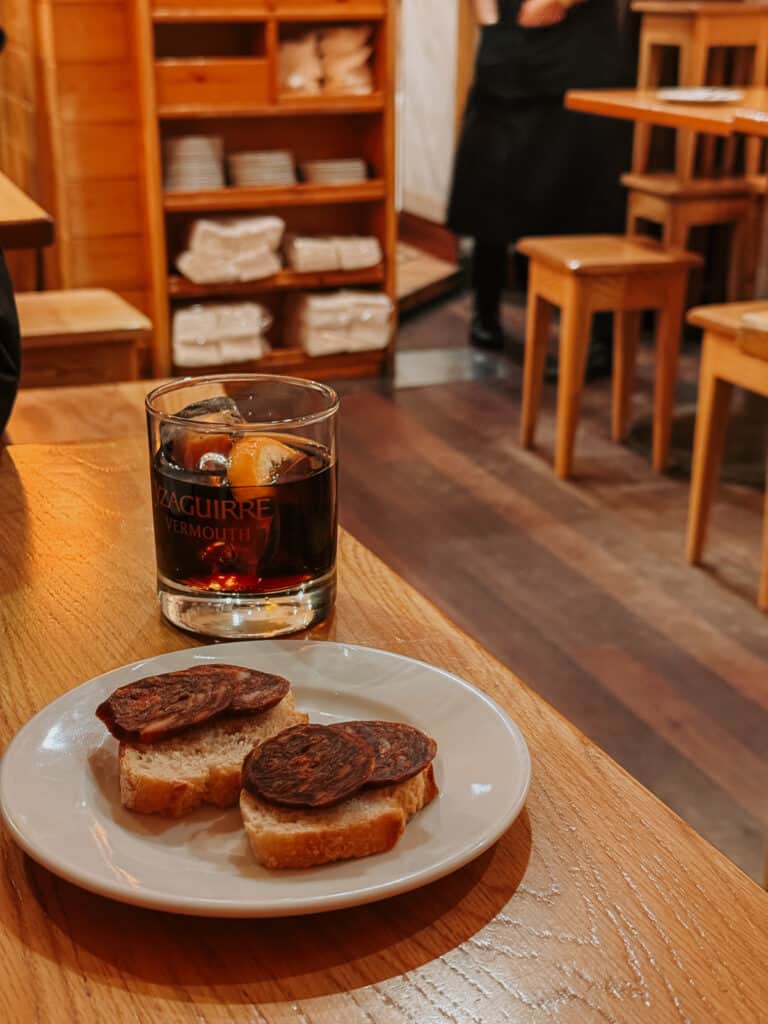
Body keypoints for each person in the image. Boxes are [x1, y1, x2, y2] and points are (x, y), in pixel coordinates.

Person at [448, 0, 632, 372]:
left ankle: (595, 339)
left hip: (576, 41)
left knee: (584, 183)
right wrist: (488, 17)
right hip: (507, 34)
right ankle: (485, 310)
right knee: (491, 173)